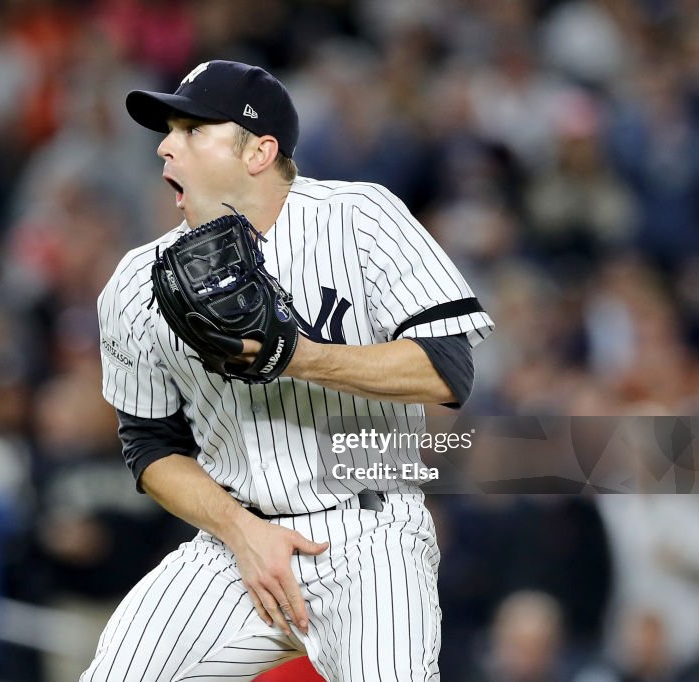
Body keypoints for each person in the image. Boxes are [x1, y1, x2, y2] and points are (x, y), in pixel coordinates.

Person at [88, 60, 494, 681]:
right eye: (169, 130)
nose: (166, 145)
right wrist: (238, 529)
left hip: (368, 533)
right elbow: (150, 446)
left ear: (259, 152)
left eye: (193, 130)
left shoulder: (360, 218)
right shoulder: (138, 283)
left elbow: (447, 370)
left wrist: (297, 355)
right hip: (235, 540)